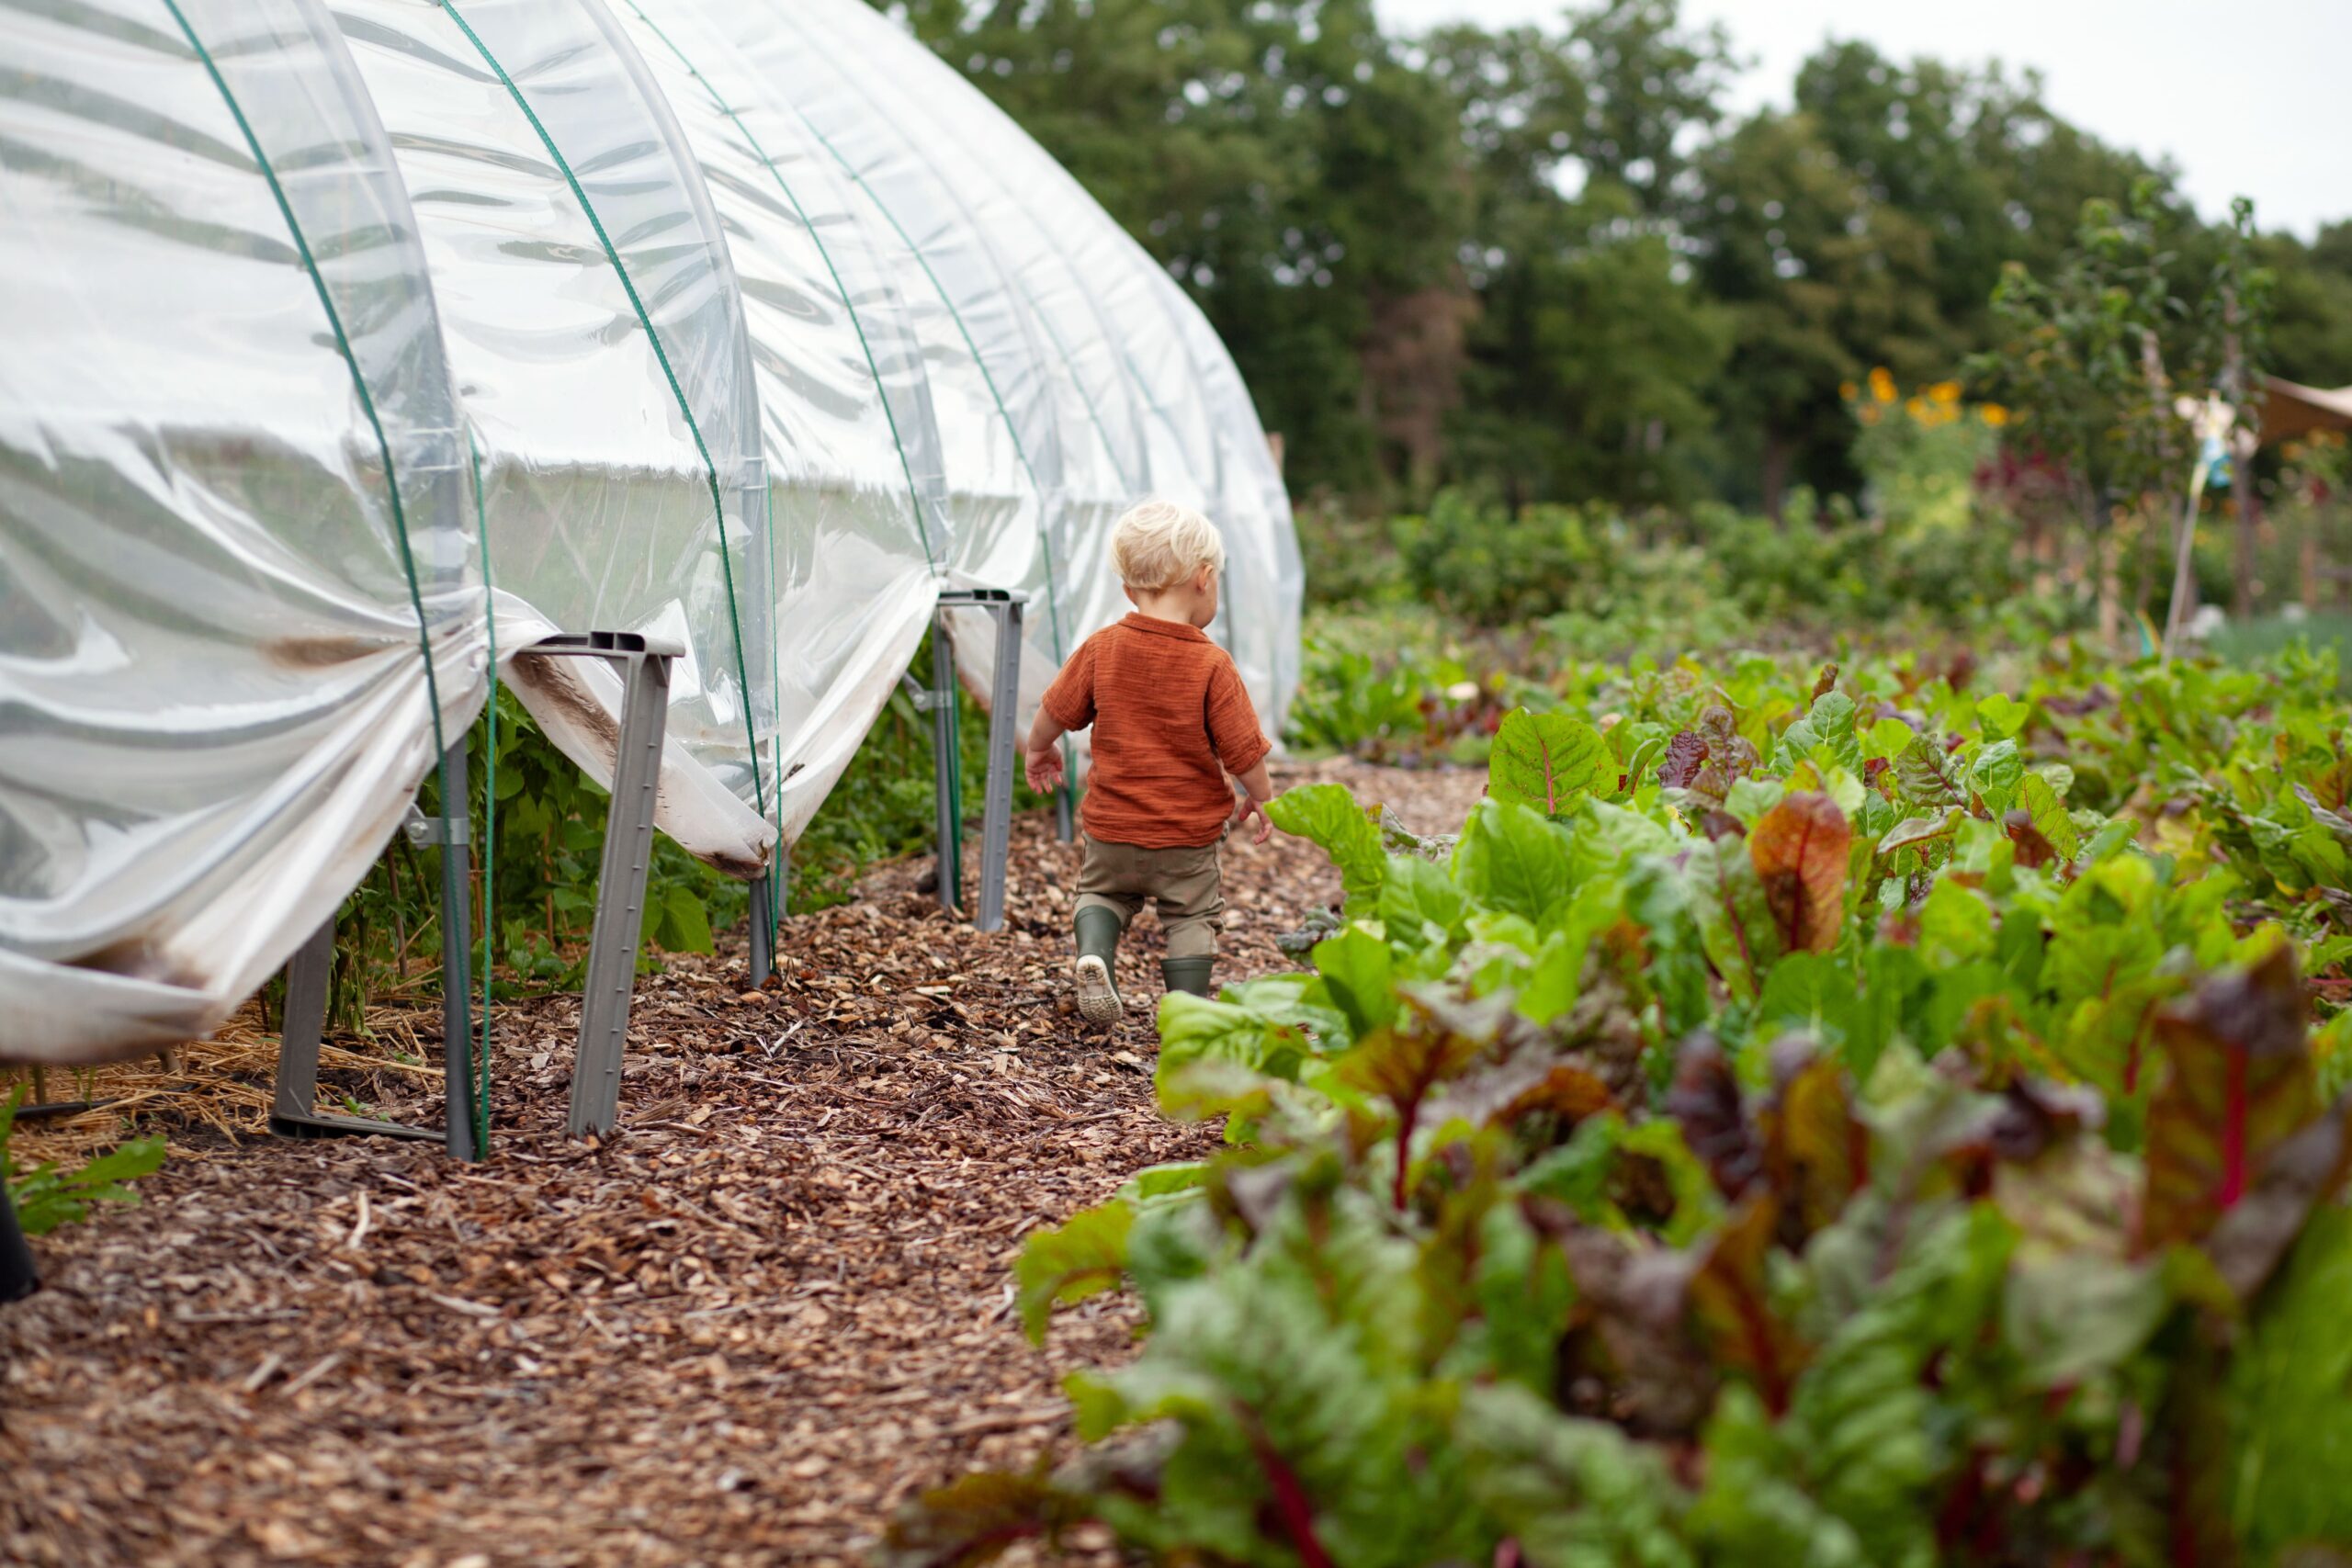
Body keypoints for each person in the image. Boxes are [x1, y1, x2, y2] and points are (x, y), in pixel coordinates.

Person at [1024, 499, 1274, 1024]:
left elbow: (1055, 710)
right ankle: (1185, 1013)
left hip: (1112, 829)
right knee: (1191, 915)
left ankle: (1095, 955)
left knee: (1101, 894)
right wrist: (1262, 796)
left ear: (1127, 589)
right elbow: (1243, 751)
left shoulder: (1102, 648)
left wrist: (1038, 748)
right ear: (1204, 578)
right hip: (1185, 838)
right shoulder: (1211, 663)